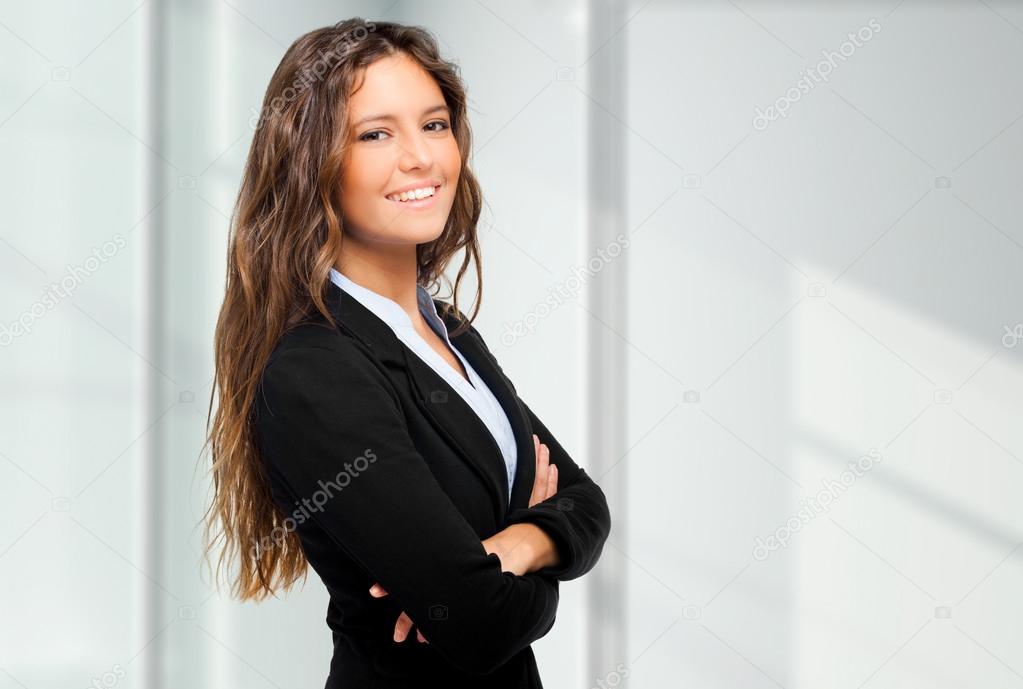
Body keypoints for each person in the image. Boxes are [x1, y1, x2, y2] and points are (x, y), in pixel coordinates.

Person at [201, 18, 611, 688]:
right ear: (312, 162)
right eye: (375, 133)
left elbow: (587, 503)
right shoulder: (316, 370)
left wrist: (516, 543)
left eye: (434, 124)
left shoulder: (446, 331)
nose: (420, 157)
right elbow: (479, 624)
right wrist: (533, 555)